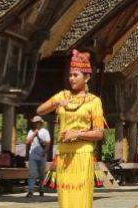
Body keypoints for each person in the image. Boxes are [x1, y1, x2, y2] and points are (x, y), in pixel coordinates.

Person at [35, 50, 105, 208]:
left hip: (82, 155)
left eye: (76, 75)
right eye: (70, 75)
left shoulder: (94, 101)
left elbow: (100, 133)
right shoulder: (62, 96)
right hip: (64, 155)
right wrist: (57, 104)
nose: (71, 78)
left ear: (86, 77)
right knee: (65, 200)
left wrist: (78, 133)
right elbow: (40, 110)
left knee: (80, 199)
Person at [24, 114, 50, 198]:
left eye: (36, 122)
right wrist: (34, 134)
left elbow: (48, 143)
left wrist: (45, 152)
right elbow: (27, 142)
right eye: (34, 122)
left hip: (42, 155)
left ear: (40, 123)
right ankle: (30, 191)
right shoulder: (31, 131)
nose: (34, 124)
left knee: (42, 174)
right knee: (32, 173)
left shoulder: (45, 131)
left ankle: (41, 189)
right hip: (33, 155)